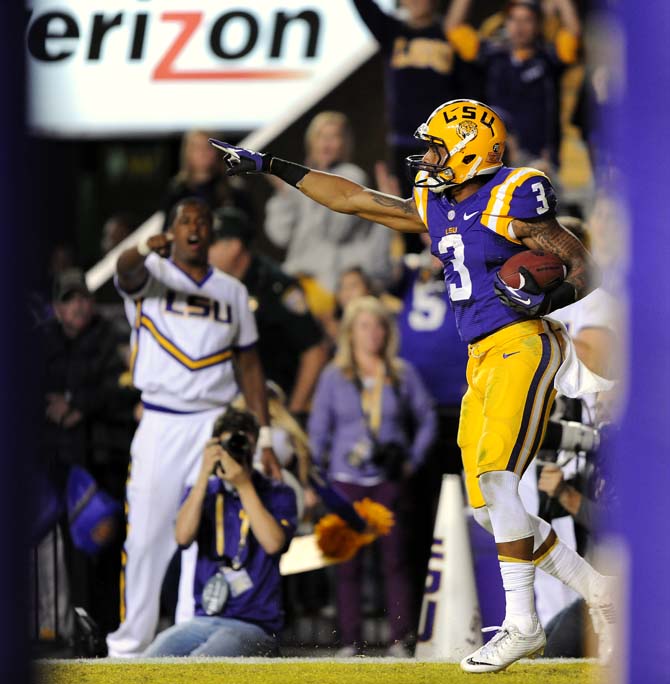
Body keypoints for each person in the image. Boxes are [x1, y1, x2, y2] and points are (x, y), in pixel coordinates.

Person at [209, 98, 614, 672]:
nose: (428, 158)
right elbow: (352, 199)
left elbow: (579, 263)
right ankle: (600, 590)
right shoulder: (440, 204)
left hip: (524, 343)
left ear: (473, 150)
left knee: (500, 484)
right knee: (487, 511)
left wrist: (548, 294)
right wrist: (271, 165)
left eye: (438, 147)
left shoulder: (512, 195)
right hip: (482, 355)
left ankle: (522, 624)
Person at [106, 197, 280, 657]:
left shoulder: (233, 290)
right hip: (161, 419)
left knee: (202, 534)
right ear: (172, 230)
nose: (195, 228)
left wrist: (266, 437)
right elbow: (124, 272)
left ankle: (187, 635)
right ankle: (128, 646)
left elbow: (250, 364)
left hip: (213, 420)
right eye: (186, 221)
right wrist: (144, 249)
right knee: (145, 534)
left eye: (203, 222)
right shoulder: (151, 274)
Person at [308, 296, 436, 656]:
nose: (373, 333)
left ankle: (401, 637)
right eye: (365, 325)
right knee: (347, 563)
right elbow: (318, 430)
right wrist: (314, 479)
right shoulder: (334, 376)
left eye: (379, 325)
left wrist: (412, 460)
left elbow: (427, 419)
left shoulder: (401, 373)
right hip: (345, 480)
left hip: (388, 479)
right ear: (350, 332)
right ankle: (350, 640)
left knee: (396, 560)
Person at [143, 407, 297, 657]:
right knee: (151, 661)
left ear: (254, 445)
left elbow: (273, 544)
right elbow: (182, 537)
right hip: (204, 619)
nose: (236, 450)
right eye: (229, 444)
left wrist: (244, 484)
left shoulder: (277, 492)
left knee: (202, 663)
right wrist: (203, 473)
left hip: (256, 625)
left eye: (242, 443)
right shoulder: (205, 492)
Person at [38, 268, 139, 637]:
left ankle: (107, 631)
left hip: (103, 464)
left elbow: (127, 388)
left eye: (83, 297)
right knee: (56, 556)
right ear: (56, 308)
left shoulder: (111, 336)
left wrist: (78, 404)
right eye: (68, 299)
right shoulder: (41, 340)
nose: (78, 305)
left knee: (104, 551)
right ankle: (65, 630)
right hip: (55, 468)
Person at [208, 206, 328, 417]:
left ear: (234, 246)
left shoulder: (276, 287)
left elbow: (314, 350)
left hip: (276, 406)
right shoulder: (213, 285)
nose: (205, 251)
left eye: (212, 244)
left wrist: (295, 411)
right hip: (230, 405)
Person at [351, 0, 478, 196]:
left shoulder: (451, 34)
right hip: (403, 142)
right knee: (406, 213)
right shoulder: (391, 31)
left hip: (446, 143)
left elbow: (472, 88)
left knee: (446, 212)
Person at [263, 111, 392, 294]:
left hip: (337, 280)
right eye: (321, 137)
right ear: (311, 142)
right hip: (300, 276)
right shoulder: (302, 177)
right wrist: (284, 196)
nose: (326, 143)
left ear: (344, 143)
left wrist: (318, 184)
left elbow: (336, 230)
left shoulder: (352, 176)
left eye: (334, 137)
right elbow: (280, 236)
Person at [447, 0, 581, 167]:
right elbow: (453, 28)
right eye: (513, 19)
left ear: (539, 24)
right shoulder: (491, 55)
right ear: (505, 23)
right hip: (498, 158)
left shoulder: (549, 58)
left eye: (527, 20)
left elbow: (573, 32)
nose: (519, 26)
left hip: (540, 160)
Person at [160, 129, 252, 231]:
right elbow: (169, 231)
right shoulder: (177, 191)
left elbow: (248, 230)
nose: (203, 153)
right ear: (187, 153)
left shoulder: (234, 190)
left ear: (218, 152)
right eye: (197, 148)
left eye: (208, 148)